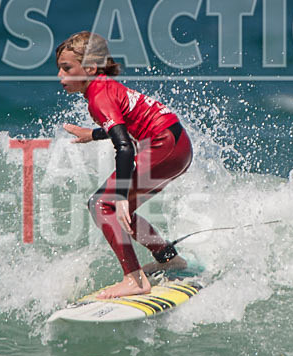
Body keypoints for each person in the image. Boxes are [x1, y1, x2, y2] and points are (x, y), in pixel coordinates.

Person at [56, 31, 193, 299]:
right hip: (177, 146)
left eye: (67, 68)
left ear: (90, 68)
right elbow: (122, 126)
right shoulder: (104, 86)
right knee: (122, 209)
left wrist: (118, 195)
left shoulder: (98, 97)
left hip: (163, 147)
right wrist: (92, 134)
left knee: (101, 204)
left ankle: (134, 279)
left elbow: (124, 147)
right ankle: (168, 258)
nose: (60, 76)